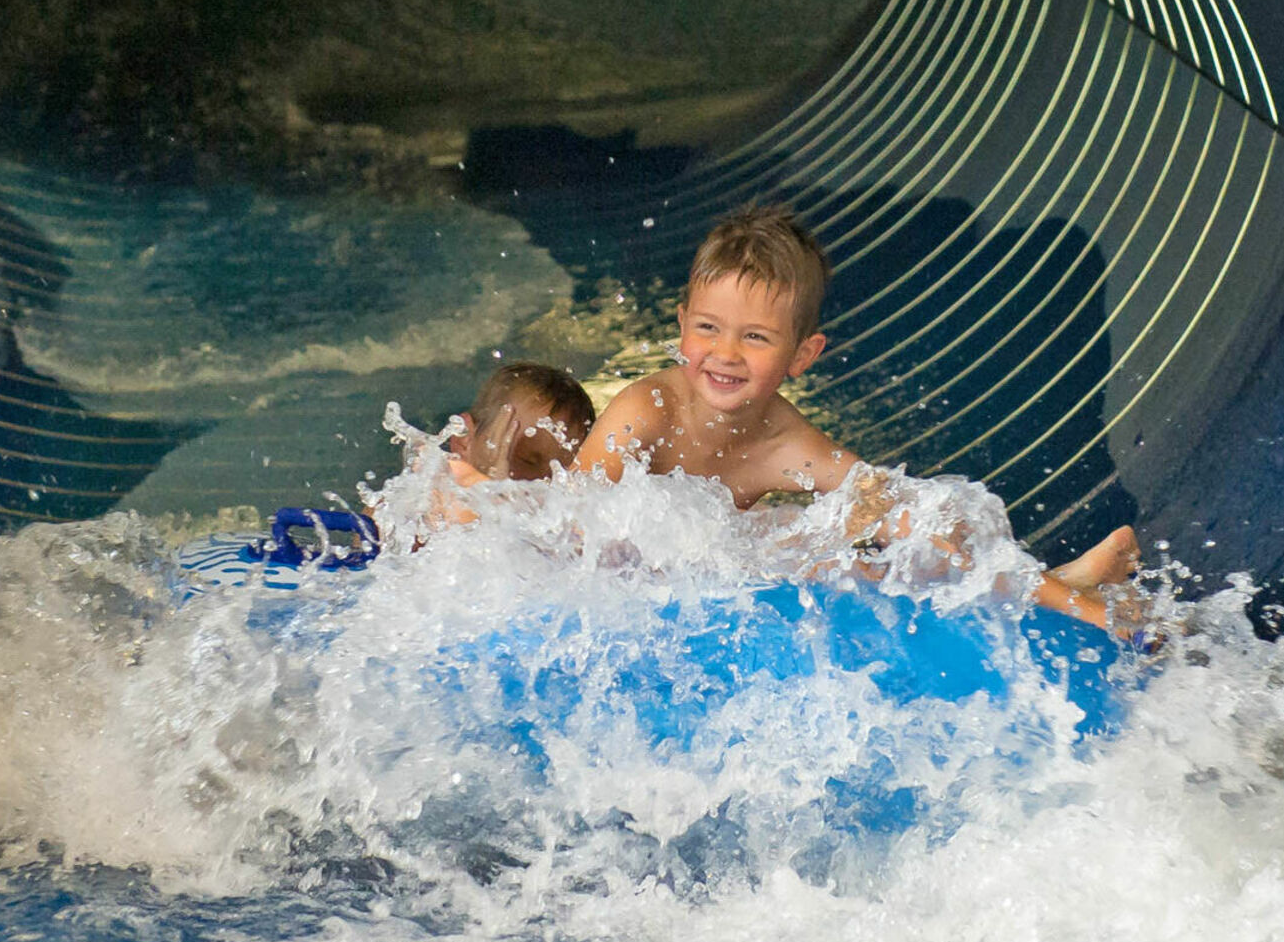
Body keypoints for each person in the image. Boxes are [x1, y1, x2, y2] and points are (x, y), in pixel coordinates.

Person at [572, 204, 1139, 630]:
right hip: (624, 588)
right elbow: (569, 524)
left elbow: (907, 512)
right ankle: (1067, 584)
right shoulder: (646, 412)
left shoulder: (785, 443)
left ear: (802, 355)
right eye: (708, 328)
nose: (725, 353)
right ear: (681, 325)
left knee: (876, 547)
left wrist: (1092, 618)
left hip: (705, 578)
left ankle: (1066, 592)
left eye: (755, 337)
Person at [448, 361, 597, 484]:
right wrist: (489, 485)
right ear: (464, 439)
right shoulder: (433, 493)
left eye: (565, 474)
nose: (546, 483)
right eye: (526, 460)